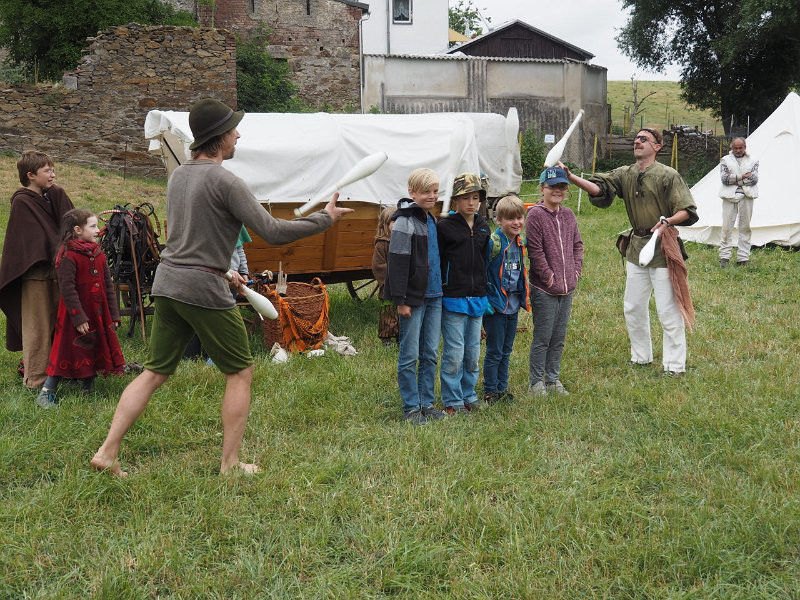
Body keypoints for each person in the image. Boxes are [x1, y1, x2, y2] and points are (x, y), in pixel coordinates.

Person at [91, 98, 352, 477]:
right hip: (201, 289)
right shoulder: (227, 182)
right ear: (219, 138)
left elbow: (192, 239)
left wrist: (226, 271)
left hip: (168, 282)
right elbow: (273, 231)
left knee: (153, 372)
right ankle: (230, 464)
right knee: (240, 372)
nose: (238, 135)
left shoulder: (178, 176)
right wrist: (324, 219)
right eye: (233, 130)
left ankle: (107, 451)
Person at [565, 128, 698, 375]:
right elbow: (599, 189)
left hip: (663, 247)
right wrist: (572, 178)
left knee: (667, 310)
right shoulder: (625, 173)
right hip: (636, 248)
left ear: (657, 146)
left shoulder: (668, 175)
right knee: (633, 307)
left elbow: (686, 210)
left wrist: (668, 221)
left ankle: (674, 365)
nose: (638, 141)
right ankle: (641, 357)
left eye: (644, 139)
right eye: (636, 138)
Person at [0, 151, 74, 392]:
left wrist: (58, 194)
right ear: (31, 175)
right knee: (38, 329)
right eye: (47, 171)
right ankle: (35, 379)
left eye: (53, 170)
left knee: (60, 324)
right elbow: (36, 240)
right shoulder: (22, 202)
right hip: (35, 274)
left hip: (56, 272)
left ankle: (63, 370)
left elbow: (68, 223)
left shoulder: (50, 197)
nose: (53, 174)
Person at [36, 209, 126, 408]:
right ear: (78, 230)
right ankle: (47, 391)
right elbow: (67, 289)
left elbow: (108, 286)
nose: (97, 230)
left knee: (93, 346)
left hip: (97, 313)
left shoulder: (98, 254)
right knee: (65, 349)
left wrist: (114, 314)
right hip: (74, 316)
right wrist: (79, 317)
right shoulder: (68, 255)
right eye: (92, 226)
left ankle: (88, 388)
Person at [383, 168, 446, 425]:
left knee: (430, 352)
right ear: (412, 192)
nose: (432, 196)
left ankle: (426, 403)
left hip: (435, 296)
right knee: (410, 354)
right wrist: (401, 300)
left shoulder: (431, 220)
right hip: (413, 298)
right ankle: (411, 407)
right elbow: (397, 263)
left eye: (435, 191)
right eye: (426, 191)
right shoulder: (404, 222)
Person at [526, 168, 583, 396]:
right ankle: (536, 382)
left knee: (558, 337)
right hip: (545, 289)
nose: (557, 191)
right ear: (542, 189)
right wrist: (549, 277)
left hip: (567, 287)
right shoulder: (535, 215)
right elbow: (535, 251)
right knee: (543, 337)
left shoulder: (568, 215)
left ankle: (553, 379)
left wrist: (575, 272)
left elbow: (577, 245)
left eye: (561, 187)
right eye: (552, 187)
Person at [437, 173, 490, 414]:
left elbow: (484, 260)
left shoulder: (483, 227)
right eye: (465, 197)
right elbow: (437, 262)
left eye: (475, 197)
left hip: (477, 297)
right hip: (453, 298)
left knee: (472, 353)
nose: (471, 202)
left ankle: (469, 394)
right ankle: (452, 400)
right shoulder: (444, 227)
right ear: (455, 200)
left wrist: (486, 289)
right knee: (454, 353)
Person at [483, 195, 530, 404]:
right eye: (511, 218)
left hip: (513, 305)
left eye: (520, 218)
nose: (517, 222)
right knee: (495, 350)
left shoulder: (519, 243)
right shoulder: (493, 243)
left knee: (507, 350)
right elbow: (483, 271)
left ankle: (502, 388)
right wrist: (486, 299)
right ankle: (490, 391)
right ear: (499, 220)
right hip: (496, 306)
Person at [719, 137, 759, 267]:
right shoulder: (725, 160)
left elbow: (754, 179)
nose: (738, 150)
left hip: (747, 196)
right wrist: (742, 177)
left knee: (745, 227)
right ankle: (724, 257)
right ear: (732, 147)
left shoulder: (753, 160)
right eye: (735, 148)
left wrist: (735, 180)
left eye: (740, 148)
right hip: (729, 196)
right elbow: (724, 179)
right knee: (726, 227)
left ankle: (743, 258)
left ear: (745, 147)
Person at [371, 206, 398, 345]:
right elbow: (378, 265)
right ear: (385, 224)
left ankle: (400, 336)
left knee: (400, 312)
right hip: (388, 287)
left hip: (402, 286)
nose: (397, 224)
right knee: (388, 313)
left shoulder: (403, 241)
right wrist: (392, 277)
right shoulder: (382, 244)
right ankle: (386, 337)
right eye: (393, 221)